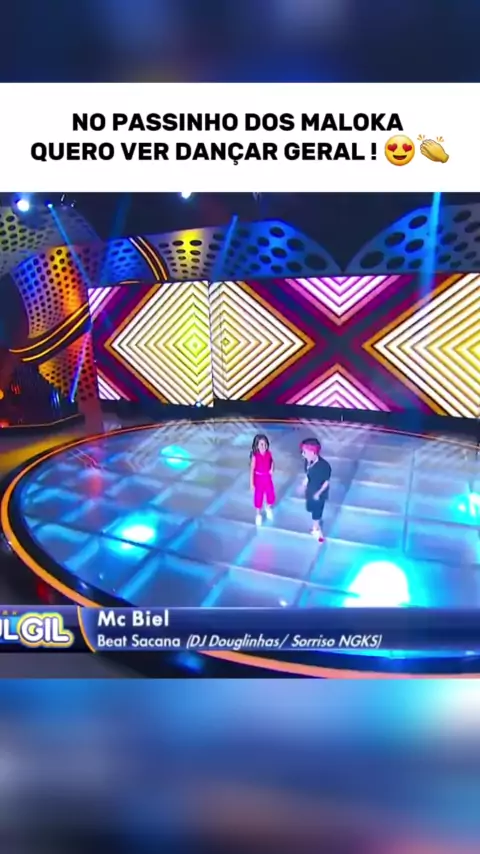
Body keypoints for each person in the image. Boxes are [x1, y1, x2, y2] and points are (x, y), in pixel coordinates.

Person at [300, 437, 331, 541]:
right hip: (310, 491)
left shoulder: (324, 466)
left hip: (319, 494)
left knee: (317, 512)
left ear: (312, 452)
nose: (303, 454)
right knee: (311, 508)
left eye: (305, 452)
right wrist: (303, 485)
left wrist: (318, 493)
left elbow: (326, 482)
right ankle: (316, 525)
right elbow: (308, 475)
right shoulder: (307, 462)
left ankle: (316, 530)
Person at [250, 433, 275, 526]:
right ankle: (258, 514)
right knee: (258, 497)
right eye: (261, 444)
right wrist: (251, 483)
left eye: (265, 444)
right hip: (258, 479)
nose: (263, 446)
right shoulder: (255, 456)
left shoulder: (269, 454)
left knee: (270, 494)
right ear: (257, 445)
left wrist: (272, 469)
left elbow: (272, 462)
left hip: (267, 477)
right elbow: (252, 470)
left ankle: (268, 507)